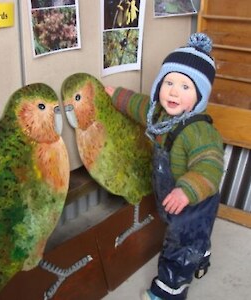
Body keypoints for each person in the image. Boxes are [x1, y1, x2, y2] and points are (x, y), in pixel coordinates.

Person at [105, 33, 224, 300]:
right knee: (192, 239)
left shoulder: (200, 133)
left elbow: (210, 167)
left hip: (195, 200)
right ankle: (201, 252)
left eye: (185, 87)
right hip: (172, 196)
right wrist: (115, 95)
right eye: (169, 82)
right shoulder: (158, 114)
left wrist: (186, 191)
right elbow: (139, 105)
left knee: (180, 245)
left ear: (200, 96)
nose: (173, 91)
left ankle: (169, 290)